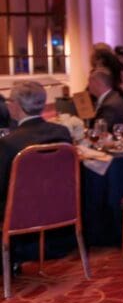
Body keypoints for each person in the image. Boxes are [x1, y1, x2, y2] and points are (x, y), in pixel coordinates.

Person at [0, 81, 72, 215]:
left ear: (16, 105)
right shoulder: (62, 132)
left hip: (21, 214)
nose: (8, 105)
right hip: (60, 208)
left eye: (10, 101)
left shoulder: (9, 143)